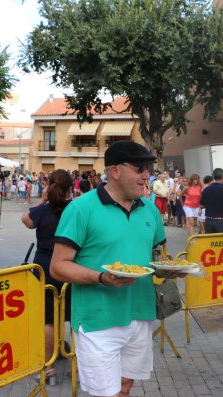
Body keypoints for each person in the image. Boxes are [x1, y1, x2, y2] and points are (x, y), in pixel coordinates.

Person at [50, 140, 183, 397]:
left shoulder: (150, 211)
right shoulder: (81, 208)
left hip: (141, 312)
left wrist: (168, 270)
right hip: (98, 318)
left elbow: (157, 257)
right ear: (115, 171)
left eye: (149, 168)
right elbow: (58, 267)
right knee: (106, 392)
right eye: (140, 168)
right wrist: (101, 277)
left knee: (125, 386)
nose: (147, 175)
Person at [21, 169, 73, 382]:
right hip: (70, 268)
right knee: (72, 315)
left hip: (45, 268)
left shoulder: (42, 211)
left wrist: (42, 199)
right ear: (70, 188)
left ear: (48, 186)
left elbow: (26, 220)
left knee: (48, 319)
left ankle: (48, 366)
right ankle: (74, 360)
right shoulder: (74, 209)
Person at [199, 168, 223, 233]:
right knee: (222, 242)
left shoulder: (207, 189)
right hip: (221, 221)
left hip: (208, 220)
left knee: (210, 241)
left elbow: (201, 205)